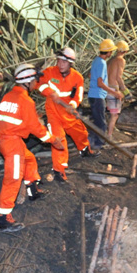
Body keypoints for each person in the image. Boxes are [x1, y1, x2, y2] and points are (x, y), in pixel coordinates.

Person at [0, 64, 64, 232]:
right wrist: (54, 141)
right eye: (35, 80)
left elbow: (14, 118)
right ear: (28, 81)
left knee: (30, 159)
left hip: (6, 139)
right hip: (12, 143)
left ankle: (32, 190)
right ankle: (3, 216)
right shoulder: (25, 100)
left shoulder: (9, 95)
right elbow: (37, 130)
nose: (36, 83)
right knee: (13, 178)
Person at [37, 47, 96, 184]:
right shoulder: (50, 72)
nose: (60, 64)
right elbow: (38, 84)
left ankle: (84, 150)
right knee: (58, 139)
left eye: (64, 62)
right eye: (59, 61)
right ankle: (59, 170)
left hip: (68, 111)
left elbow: (78, 96)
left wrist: (73, 105)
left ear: (70, 63)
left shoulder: (77, 77)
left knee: (80, 131)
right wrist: (49, 92)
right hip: (53, 111)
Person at [88, 39, 123, 150]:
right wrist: (115, 93)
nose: (111, 53)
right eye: (111, 51)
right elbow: (100, 83)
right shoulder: (102, 63)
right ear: (108, 52)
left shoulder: (96, 60)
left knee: (97, 120)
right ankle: (99, 144)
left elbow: (90, 75)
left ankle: (94, 142)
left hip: (92, 95)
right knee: (101, 122)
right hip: (98, 95)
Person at [106, 40, 131, 139]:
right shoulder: (121, 60)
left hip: (107, 88)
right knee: (114, 115)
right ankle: (109, 136)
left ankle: (109, 130)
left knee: (111, 112)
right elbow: (118, 78)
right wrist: (126, 91)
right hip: (114, 90)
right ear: (125, 51)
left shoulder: (110, 60)